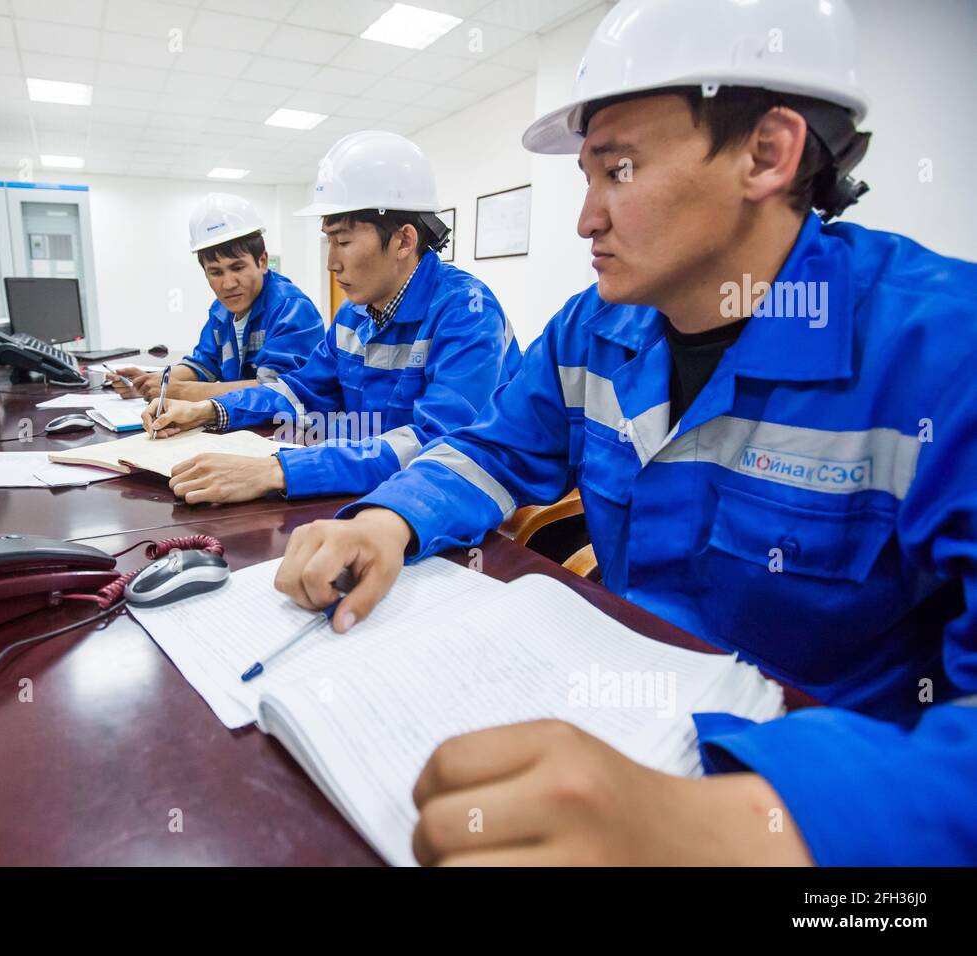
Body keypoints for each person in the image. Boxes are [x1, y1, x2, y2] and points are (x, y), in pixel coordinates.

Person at [273, 0, 977, 865]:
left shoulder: (943, 353)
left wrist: (737, 826)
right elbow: (493, 448)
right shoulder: (592, 330)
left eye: (621, 171)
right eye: (586, 178)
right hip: (603, 703)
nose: (585, 220)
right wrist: (391, 520)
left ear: (768, 153)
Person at [143, 131, 522, 505]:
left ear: (404, 241)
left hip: (455, 504)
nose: (331, 262)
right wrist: (211, 410)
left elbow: (437, 444)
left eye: (343, 242)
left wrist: (279, 471)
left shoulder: (468, 313)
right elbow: (300, 393)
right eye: (329, 243)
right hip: (375, 484)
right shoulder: (353, 314)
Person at [111, 192, 321, 402]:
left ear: (263, 261)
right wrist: (152, 383)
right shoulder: (221, 311)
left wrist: (182, 392)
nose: (228, 284)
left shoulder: (290, 308)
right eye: (216, 272)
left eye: (237, 267)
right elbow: (203, 364)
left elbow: (276, 389)